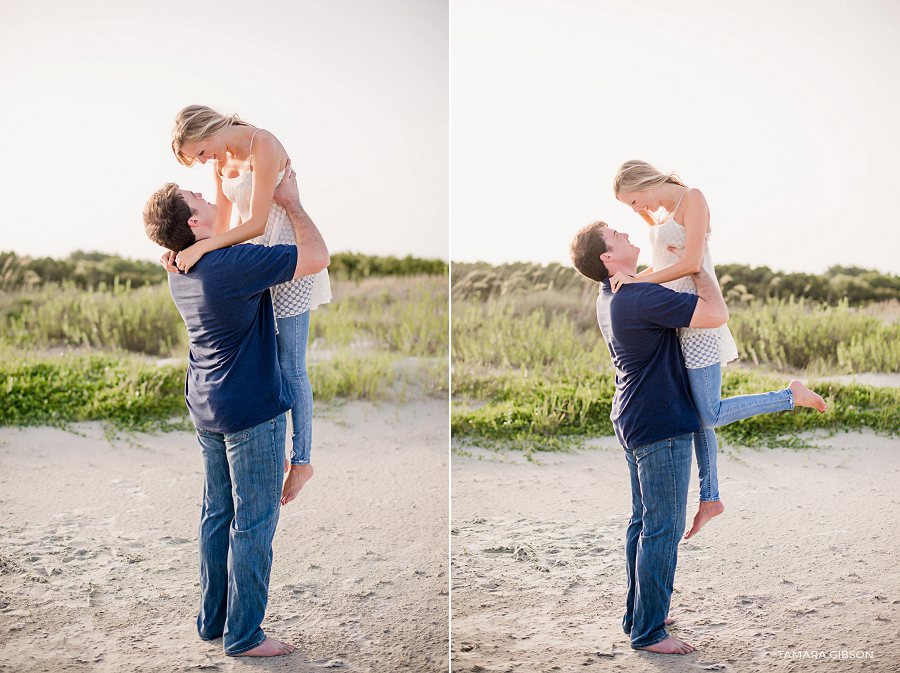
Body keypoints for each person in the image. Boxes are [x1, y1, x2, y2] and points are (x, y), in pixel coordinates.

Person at [142, 167, 329, 657]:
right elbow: (317, 257)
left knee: (216, 515)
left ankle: (212, 621)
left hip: (205, 408)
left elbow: (210, 229)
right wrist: (291, 204)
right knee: (253, 523)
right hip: (249, 412)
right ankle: (245, 635)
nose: (205, 194)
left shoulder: (178, 270)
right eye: (196, 196)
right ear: (196, 226)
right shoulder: (233, 265)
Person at [611, 160, 826, 539]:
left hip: (700, 317)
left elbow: (691, 263)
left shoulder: (693, 198)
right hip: (676, 319)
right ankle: (710, 498)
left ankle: (790, 396)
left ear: (642, 185)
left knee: (707, 414)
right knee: (694, 413)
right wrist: (630, 281)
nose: (634, 209)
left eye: (632, 201)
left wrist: (635, 283)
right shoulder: (661, 215)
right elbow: (665, 264)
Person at [570, 220, 729, 654]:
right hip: (659, 423)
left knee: (643, 523)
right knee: (661, 528)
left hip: (633, 418)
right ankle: (649, 632)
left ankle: (638, 614)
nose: (624, 232)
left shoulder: (613, 296)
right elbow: (716, 315)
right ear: (607, 257)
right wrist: (696, 267)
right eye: (614, 234)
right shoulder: (637, 295)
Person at [167, 105, 330, 506]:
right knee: (264, 360)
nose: (204, 161)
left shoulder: (264, 143)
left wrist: (204, 245)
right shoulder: (220, 162)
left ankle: (303, 460)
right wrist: (182, 251)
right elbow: (221, 227)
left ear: (208, 129)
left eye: (200, 152)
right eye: (198, 159)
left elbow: (257, 222)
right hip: (252, 265)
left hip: (289, 257)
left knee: (290, 364)